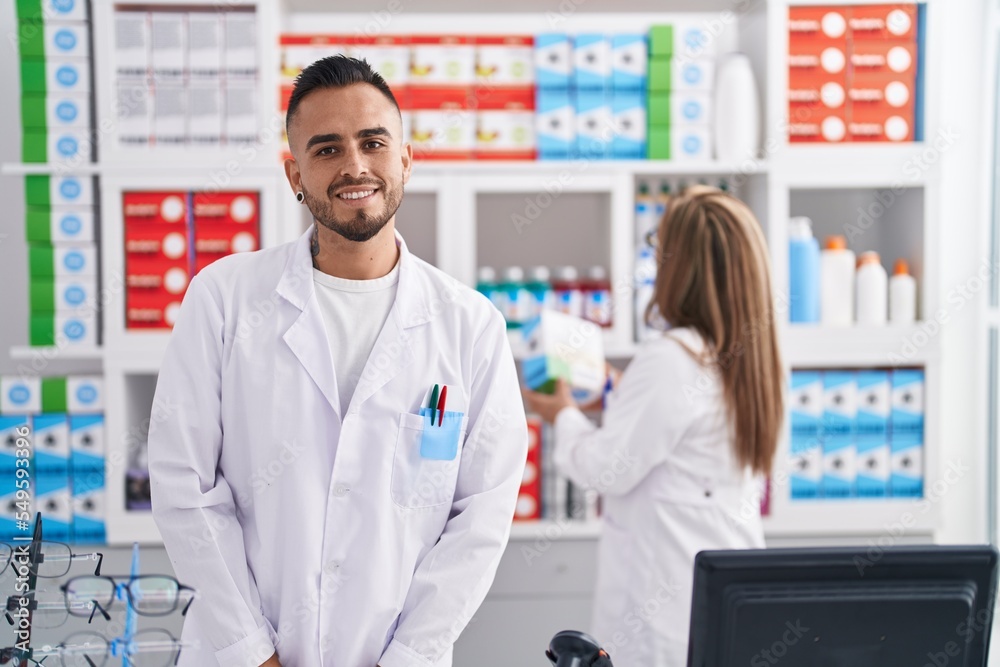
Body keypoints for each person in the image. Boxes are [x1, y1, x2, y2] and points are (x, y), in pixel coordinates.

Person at [148, 56, 528, 667]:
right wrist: (252, 652)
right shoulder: (223, 298)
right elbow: (184, 488)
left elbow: (481, 519)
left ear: (405, 159)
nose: (354, 166)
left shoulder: (470, 325)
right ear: (295, 173)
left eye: (373, 143)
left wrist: (408, 655)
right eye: (326, 149)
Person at [523, 185, 784, 667]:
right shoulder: (748, 358)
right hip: (731, 600)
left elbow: (606, 469)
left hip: (668, 616)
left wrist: (559, 413)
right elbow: (687, 433)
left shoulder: (670, 359)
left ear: (679, 266)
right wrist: (619, 389)